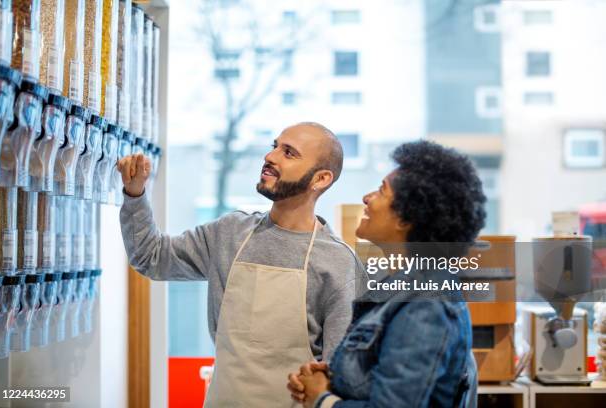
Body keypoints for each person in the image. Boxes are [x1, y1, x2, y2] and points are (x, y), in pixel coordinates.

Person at [117, 123, 364, 406]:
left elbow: (340, 378)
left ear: (320, 179)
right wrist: (135, 194)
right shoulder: (230, 233)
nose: (270, 157)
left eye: (289, 152)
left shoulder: (339, 263)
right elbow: (151, 257)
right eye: (274, 146)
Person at [287, 140, 484, 407]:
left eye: (381, 191)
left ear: (406, 217)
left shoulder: (426, 304)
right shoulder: (393, 290)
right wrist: (330, 380)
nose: (367, 198)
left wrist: (323, 400)